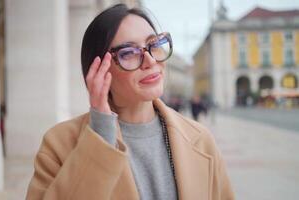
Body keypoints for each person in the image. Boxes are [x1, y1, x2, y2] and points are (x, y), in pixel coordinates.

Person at [26, 4, 234, 200]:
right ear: (98, 70)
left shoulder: (201, 139)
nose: (151, 61)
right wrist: (101, 135)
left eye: (154, 44)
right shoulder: (59, 144)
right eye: (129, 53)